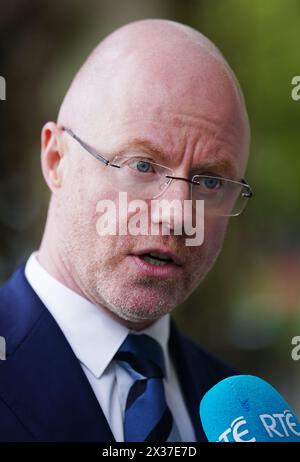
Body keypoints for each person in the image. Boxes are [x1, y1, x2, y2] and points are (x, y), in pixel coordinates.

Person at [0, 19, 252, 442]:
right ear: (56, 160)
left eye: (210, 182)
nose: (177, 215)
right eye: (141, 165)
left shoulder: (238, 415)